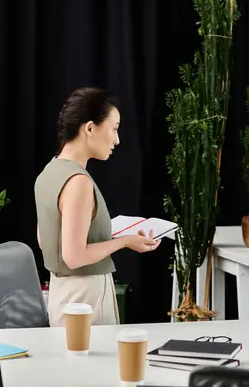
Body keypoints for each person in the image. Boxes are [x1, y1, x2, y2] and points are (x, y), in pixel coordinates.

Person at [35, 87, 161, 327]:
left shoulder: (48, 173)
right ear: (90, 128)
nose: (117, 139)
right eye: (114, 128)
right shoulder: (79, 182)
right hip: (86, 299)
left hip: (61, 294)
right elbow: (74, 256)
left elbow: (45, 240)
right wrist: (125, 241)